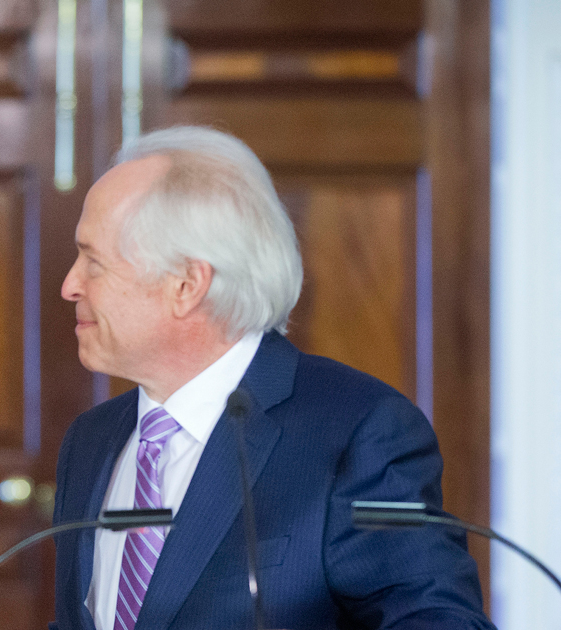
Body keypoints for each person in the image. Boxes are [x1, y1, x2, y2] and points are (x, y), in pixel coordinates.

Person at [50, 126, 494, 629]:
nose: (69, 284)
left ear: (187, 285)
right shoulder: (91, 439)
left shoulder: (359, 432)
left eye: (94, 261)